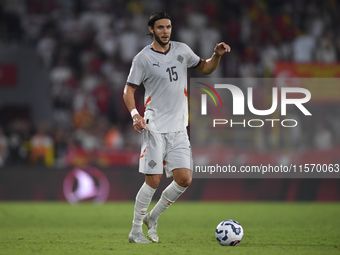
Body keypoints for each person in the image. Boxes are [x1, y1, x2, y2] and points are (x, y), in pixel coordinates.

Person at [123, 11, 230, 243]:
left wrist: (216, 55)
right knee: (152, 180)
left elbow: (206, 68)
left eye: (168, 27)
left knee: (184, 179)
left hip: (179, 128)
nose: (165, 31)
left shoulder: (182, 50)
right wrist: (135, 115)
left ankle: (152, 218)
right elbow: (128, 91)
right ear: (151, 30)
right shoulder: (142, 58)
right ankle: (135, 231)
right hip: (155, 127)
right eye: (160, 28)